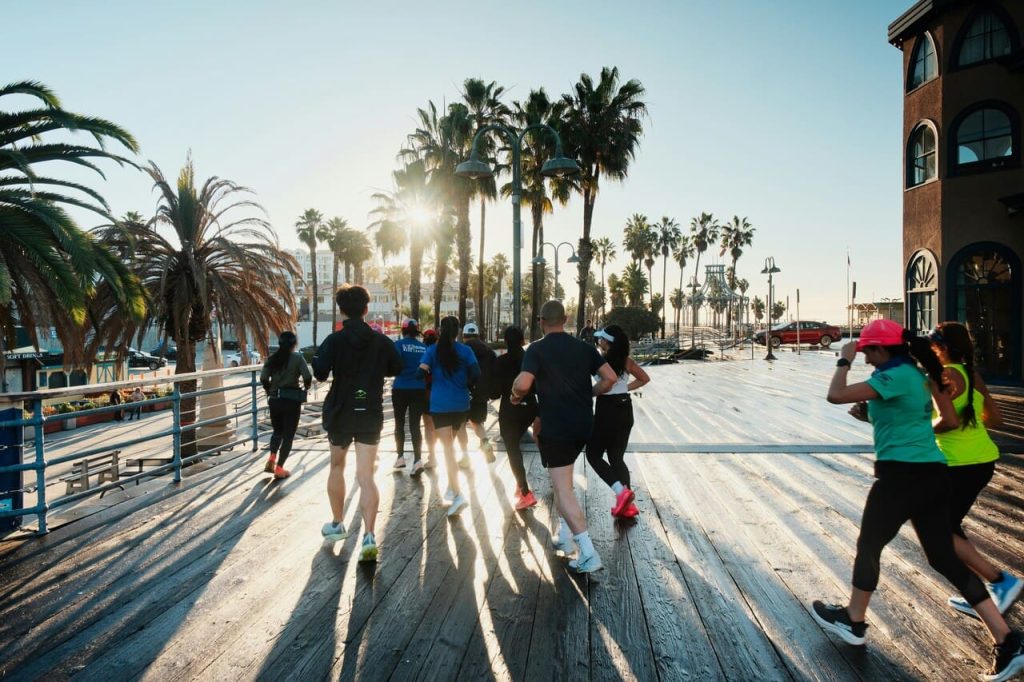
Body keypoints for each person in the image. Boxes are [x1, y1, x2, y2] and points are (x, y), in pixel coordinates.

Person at [812, 319, 1023, 682]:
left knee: (869, 546)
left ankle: (854, 620)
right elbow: (922, 418)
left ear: (882, 349)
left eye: (866, 351)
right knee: (945, 559)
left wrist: (842, 361)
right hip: (933, 475)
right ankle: (1007, 640)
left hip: (901, 478)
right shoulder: (916, 374)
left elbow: (835, 395)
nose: (863, 356)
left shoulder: (892, 376)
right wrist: (873, 417)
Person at [512, 300, 616, 574]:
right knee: (564, 482)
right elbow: (610, 378)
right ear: (566, 318)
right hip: (583, 425)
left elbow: (523, 384)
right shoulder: (584, 348)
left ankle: (589, 554)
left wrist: (515, 395)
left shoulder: (536, 349)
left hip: (557, 427)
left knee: (563, 489)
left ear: (541, 321)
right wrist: (590, 394)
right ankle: (566, 536)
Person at [928, 322, 1023, 618]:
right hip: (981, 460)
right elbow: (995, 419)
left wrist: (923, 426)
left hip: (958, 464)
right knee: (947, 527)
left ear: (940, 347)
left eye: (932, 344)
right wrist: (971, 415)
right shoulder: (972, 374)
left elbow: (948, 422)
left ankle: (1000, 582)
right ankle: (987, 590)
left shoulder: (944, 375)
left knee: (940, 529)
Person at [313, 284, 402, 562]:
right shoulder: (381, 341)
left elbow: (319, 371)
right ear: (366, 309)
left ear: (341, 311)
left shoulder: (334, 340)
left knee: (337, 466)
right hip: (369, 411)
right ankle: (369, 537)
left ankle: (338, 524)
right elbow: (396, 368)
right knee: (366, 477)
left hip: (340, 410)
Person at [417, 316, 480, 518]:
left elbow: (420, 374)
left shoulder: (432, 351)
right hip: (461, 404)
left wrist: (428, 373)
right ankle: (452, 489)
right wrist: (465, 384)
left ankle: (458, 494)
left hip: (440, 404)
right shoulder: (466, 350)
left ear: (439, 330)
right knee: (451, 445)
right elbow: (477, 374)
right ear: (458, 332)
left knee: (448, 450)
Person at [586, 325, 650, 518]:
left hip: (608, 409)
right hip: (625, 409)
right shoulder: (626, 361)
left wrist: (589, 393)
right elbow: (644, 378)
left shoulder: (601, 362)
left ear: (607, 342)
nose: (598, 341)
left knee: (593, 454)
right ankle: (628, 505)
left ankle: (621, 493)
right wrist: (625, 387)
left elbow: (602, 386)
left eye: (601, 339)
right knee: (616, 457)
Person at [490, 326, 539, 510]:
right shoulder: (530, 359)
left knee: (513, 450)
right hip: (531, 407)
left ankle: (526, 492)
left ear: (505, 341)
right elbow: (538, 384)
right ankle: (521, 486)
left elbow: (494, 392)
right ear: (522, 341)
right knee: (517, 445)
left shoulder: (500, 361)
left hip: (509, 409)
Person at [259, 331, 311, 480]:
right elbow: (307, 376)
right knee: (288, 436)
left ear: (281, 343)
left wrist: (269, 389)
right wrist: (306, 386)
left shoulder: (272, 359)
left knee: (277, 431)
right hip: (291, 401)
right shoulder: (297, 358)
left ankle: (272, 456)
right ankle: (279, 468)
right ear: (294, 344)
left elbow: (263, 377)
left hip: (275, 400)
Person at [391, 319, 428, 476]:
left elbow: (394, 365)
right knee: (415, 425)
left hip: (400, 388)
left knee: (399, 423)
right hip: (419, 389)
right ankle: (418, 460)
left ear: (403, 331)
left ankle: (400, 457)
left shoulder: (398, 345)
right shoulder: (423, 347)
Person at [457, 322, 496, 468]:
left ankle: (465, 456)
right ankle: (485, 444)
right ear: (478, 335)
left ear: (464, 336)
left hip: (464, 392)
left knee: (461, 424)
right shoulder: (489, 350)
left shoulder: (462, 350)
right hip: (481, 394)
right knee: (477, 422)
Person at [420, 328, 439, 468]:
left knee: (428, 427)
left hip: (426, 393)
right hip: (440, 393)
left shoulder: (423, 352)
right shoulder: (441, 352)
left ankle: (432, 456)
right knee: (440, 426)